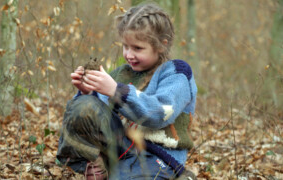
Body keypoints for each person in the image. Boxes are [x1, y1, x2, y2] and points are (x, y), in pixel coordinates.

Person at [56, 3, 197, 180]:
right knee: (82, 105)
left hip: (157, 156)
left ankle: (181, 176)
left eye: (137, 48)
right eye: (125, 46)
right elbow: (97, 115)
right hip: (121, 147)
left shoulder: (176, 72)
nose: (129, 54)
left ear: (161, 45)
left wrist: (116, 91)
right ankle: (96, 164)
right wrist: (87, 92)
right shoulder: (122, 73)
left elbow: (160, 113)